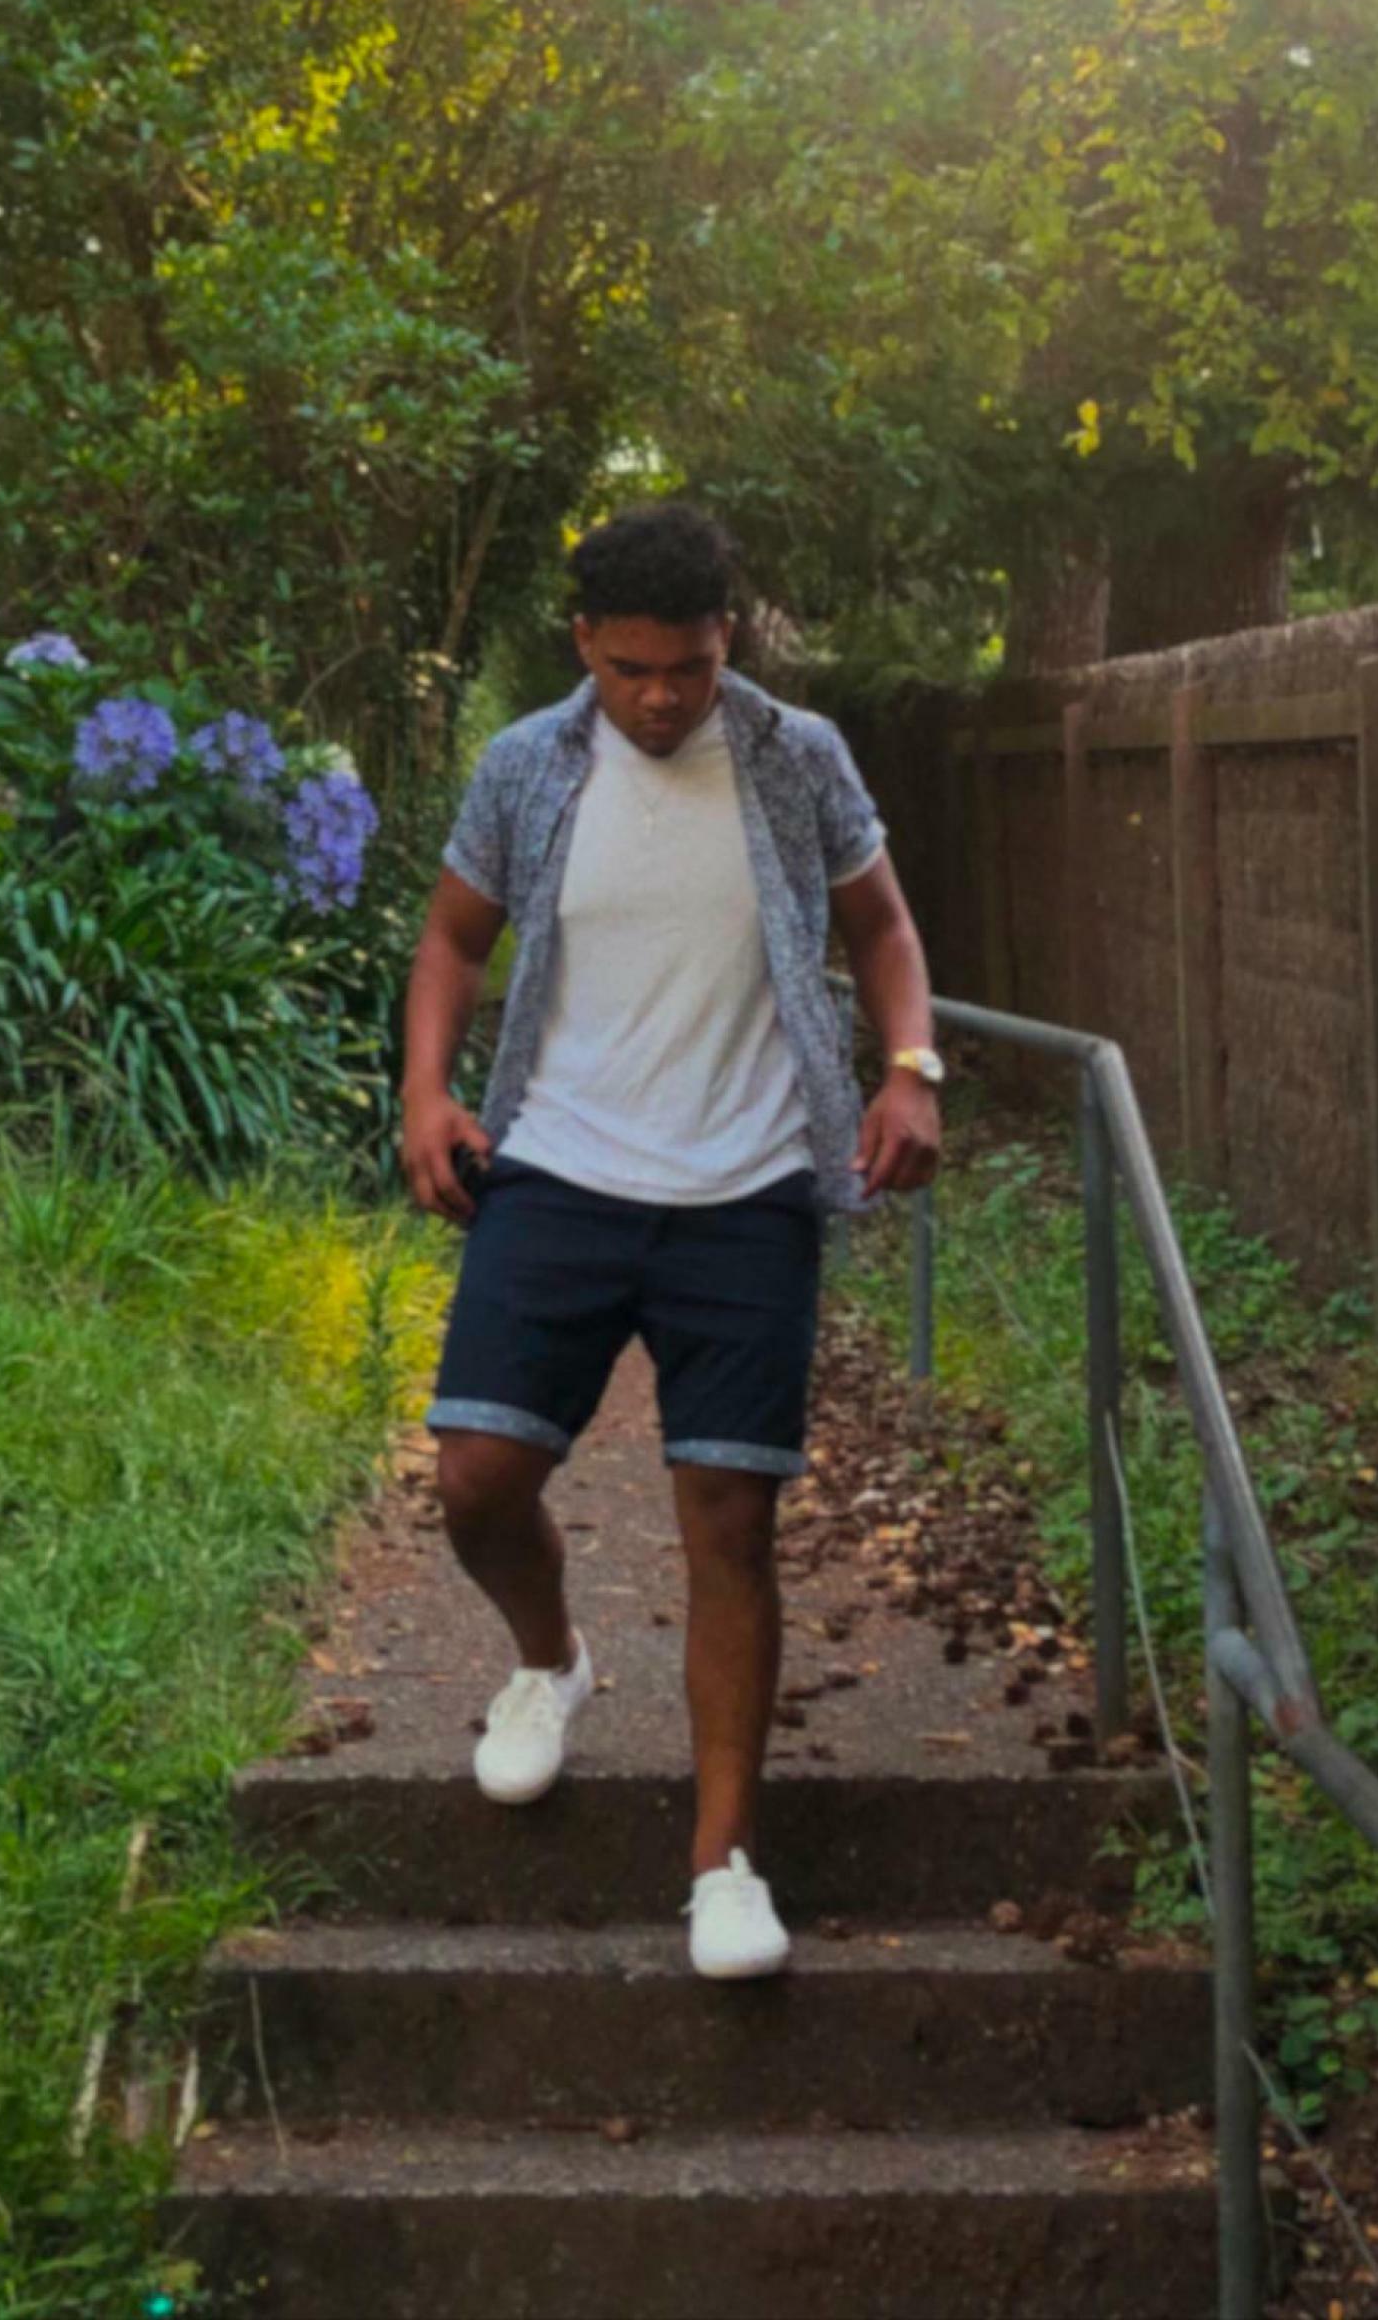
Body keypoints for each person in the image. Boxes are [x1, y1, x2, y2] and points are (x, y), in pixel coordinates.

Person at [399, 502, 945, 1979]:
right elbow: (453, 940)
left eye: (689, 669)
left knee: (730, 1524)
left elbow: (884, 929)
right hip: (559, 1171)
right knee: (476, 1477)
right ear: (584, 641)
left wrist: (911, 1068)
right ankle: (551, 1662)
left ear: (728, 641)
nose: (660, 698)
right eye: (631, 668)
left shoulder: (795, 757)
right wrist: (427, 1092)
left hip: (749, 1187)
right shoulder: (527, 766)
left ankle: (724, 1866)